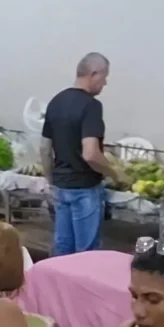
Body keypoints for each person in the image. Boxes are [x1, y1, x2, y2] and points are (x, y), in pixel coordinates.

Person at [42, 52, 126, 257]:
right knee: (86, 254)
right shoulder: (91, 106)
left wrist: (51, 180)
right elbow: (91, 154)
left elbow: (45, 149)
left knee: (63, 248)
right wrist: (115, 173)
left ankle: (58, 287)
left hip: (61, 187)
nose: (104, 84)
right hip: (84, 189)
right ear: (93, 73)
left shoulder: (56, 102)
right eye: (104, 77)